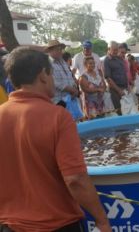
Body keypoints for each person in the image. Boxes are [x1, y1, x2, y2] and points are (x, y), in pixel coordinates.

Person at [0, 47, 111, 231]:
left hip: (9, 225)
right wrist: (102, 220)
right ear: (43, 75)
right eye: (52, 75)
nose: (54, 81)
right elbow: (75, 179)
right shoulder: (57, 117)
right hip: (56, 224)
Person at [46, 40, 79, 110]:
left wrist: (74, 88)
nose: (60, 51)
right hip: (58, 101)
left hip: (70, 98)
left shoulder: (63, 61)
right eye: (57, 49)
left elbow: (70, 76)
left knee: (73, 119)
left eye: (61, 49)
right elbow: (54, 83)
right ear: (50, 51)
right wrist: (72, 90)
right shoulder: (47, 63)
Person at [103, 41, 128, 115]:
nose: (116, 51)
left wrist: (127, 86)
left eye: (117, 50)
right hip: (115, 90)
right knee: (119, 111)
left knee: (126, 110)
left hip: (124, 88)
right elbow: (108, 78)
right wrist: (118, 90)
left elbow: (124, 73)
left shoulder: (119, 58)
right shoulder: (107, 60)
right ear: (109, 49)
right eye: (114, 50)